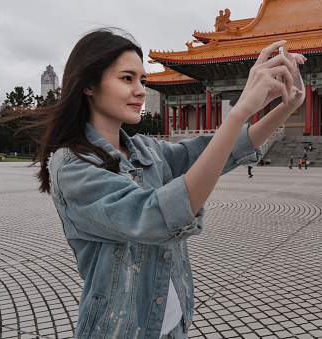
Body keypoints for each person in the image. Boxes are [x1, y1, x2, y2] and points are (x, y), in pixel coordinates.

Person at [34, 29, 306, 339]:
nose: (139, 90)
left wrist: (285, 106)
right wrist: (241, 109)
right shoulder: (73, 166)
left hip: (173, 325)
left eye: (143, 81)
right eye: (127, 79)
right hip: (119, 330)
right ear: (89, 86)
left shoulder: (146, 149)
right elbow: (154, 217)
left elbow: (211, 152)